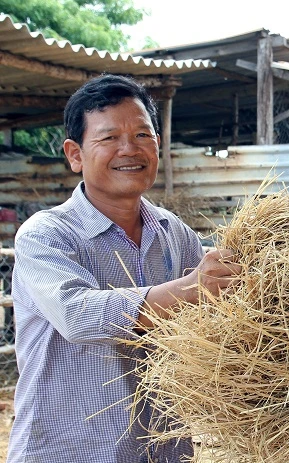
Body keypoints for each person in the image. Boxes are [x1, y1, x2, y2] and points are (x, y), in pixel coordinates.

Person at [7, 74, 241, 462]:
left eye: (143, 136)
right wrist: (191, 290)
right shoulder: (46, 235)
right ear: (75, 154)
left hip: (160, 449)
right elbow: (77, 315)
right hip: (69, 451)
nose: (129, 149)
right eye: (109, 137)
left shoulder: (174, 233)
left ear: (158, 145)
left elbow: (218, 316)